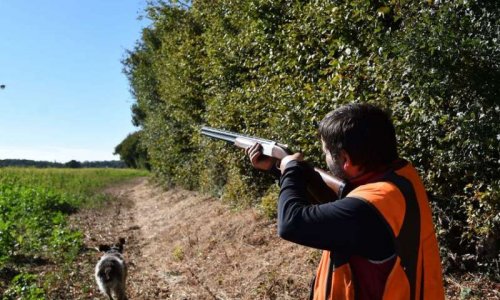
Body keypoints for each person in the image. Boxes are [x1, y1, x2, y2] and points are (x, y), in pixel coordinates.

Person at [246, 103, 444, 300]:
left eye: (326, 152)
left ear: (346, 159)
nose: (325, 158)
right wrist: (278, 168)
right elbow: (342, 199)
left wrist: (291, 170)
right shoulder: (399, 179)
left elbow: (291, 224)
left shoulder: (365, 209)